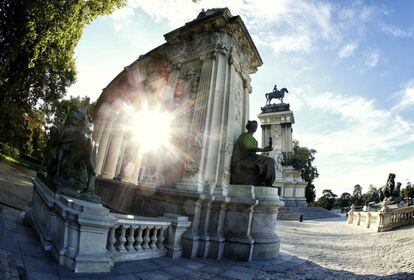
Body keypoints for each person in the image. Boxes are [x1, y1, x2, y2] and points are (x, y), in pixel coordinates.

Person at [230, 120, 276, 186]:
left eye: (256, 126)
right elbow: (248, 148)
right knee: (270, 161)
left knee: (270, 161)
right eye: (253, 125)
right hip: (243, 159)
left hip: (251, 159)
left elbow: (254, 154)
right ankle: (267, 182)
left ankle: (266, 182)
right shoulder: (244, 136)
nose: (255, 127)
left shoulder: (255, 141)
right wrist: (263, 150)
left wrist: (266, 149)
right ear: (249, 126)